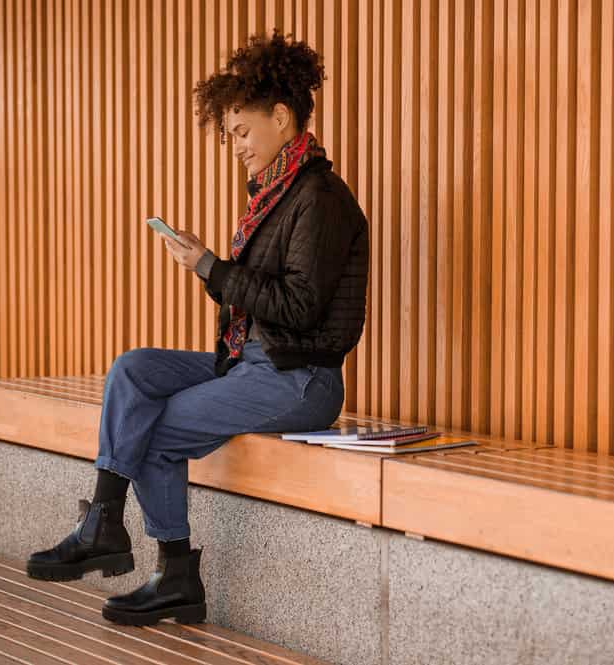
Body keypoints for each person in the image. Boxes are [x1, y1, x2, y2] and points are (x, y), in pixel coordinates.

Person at [24, 28, 370, 627]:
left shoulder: (319, 198)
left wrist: (212, 266)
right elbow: (262, 301)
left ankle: (175, 573)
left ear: (282, 117)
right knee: (135, 368)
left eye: (241, 131)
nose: (234, 145)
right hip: (253, 363)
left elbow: (300, 309)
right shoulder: (275, 194)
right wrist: (209, 266)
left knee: (156, 425)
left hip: (301, 378)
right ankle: (107, 521)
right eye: (228, 134)